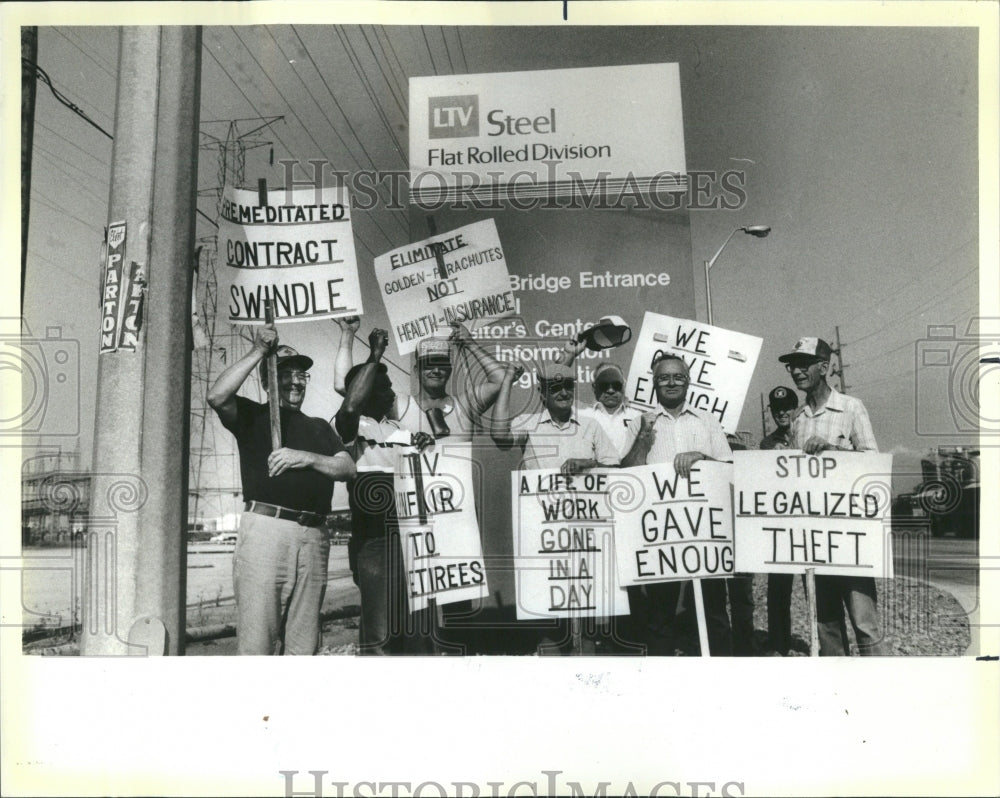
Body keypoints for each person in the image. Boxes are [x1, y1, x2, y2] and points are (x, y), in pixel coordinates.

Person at [206, 325, 355, 655]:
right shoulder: (252, 416)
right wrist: (259, 351)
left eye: (301, 374)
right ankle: (260, 708)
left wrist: (304, 457)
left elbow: (347, 468)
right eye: (284, 373)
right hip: (266, 533)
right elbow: (216, 396)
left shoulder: (319, 428)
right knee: (259, 642)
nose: (295, 380)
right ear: (266, 381)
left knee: (303, 646)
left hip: (315, 537)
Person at [621, 353, 734, 656]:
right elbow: (627, 477)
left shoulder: (707, 420)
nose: (671, 382)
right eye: (663, 377)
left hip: (704, 533)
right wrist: (643, 439)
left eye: (677, 377)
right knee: (660, 615)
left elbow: (728, 467)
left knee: (714, 612)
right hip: (662, 536)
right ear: (654, 382)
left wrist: (700, 457)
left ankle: (722, 674)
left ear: (688, 381)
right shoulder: (639, 422)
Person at [779, 336, 886, 656]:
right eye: (792, 366)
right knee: (825, 624)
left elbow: (873, 463)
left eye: (803, 364)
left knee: (864, 621)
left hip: (848, 534)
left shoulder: (851, 408)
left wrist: (834, 451)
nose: (796, 372)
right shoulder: (798, 420)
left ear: (824, 367)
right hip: (814, 538)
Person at [334, 328, 435, 655]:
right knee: (378, 635)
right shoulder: (352, 426)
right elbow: (349, 407)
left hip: (408, 539)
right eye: (383, 385)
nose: (392, 391)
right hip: (373, 539)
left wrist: (423, 444)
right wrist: (374, 355)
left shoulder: (398, 429)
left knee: (412, 627)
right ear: (362, 391)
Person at [333, 316, 507, 441]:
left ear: (450, 369)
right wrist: (348, 335)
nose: (437, 370)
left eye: (442, 364)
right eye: (429, 364)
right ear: (417, 370)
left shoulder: (465, 406)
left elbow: (501, 379)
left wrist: (470, 343)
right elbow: (347, 389)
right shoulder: (398, 405)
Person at [759, 385, 815, 655]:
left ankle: (820, 640)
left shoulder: (809, 435)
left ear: (796, 408)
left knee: (815, 586)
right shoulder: (767, 444)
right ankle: (778, 642)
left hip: (811, 523)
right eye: (777, 409)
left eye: (787, 408)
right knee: (778, 588)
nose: (782, 413)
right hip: (782, 525)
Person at [558, 339, 642, 460]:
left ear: (623, 385)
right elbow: (553, 392)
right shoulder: (580, 414)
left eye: (616, 385)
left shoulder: (638, 417)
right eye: (604, 385)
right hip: (593, 477)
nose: (610, 390)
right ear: (594, 387)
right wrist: (569, 355)